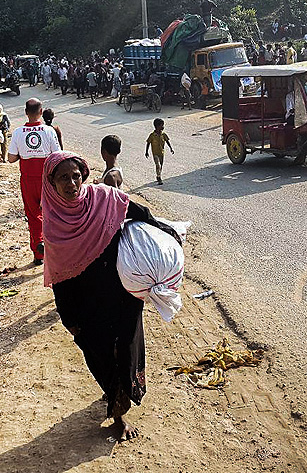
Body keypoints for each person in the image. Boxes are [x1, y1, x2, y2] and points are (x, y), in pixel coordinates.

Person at [40, 152, 180, 442]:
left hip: (122, 291)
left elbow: (136, 210)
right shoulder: (54, 223)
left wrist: (165, 230)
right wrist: (69, 317)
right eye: (63, 178)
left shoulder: (102, 197)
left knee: (127, 346)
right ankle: (115, 394)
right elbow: (59, 276)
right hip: (86, 300)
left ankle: (120, 409)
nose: (71, 183)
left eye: (76, 176)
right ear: (50, 181)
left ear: (84, 176)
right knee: (100, 352)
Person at [7, 99, 61, 265]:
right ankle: (54, 251)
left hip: (28, 180)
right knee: (51, 215)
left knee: (33, 216)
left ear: (25, 112)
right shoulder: (48, 131)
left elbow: (10, 159)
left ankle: (38, 253)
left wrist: (24, 153)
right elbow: (57, 156)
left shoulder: (17, 132)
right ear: (41, 112)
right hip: (47, 179)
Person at [145, 118, 174, 185]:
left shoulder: (163, 134)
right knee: (157, 165)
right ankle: (159, 177)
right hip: (155, 153)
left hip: (162, 152)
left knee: (161, 165)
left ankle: (158, 174)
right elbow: (148, 143)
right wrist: (146, 152)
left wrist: (171, 148)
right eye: (162, 125)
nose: (163, 127)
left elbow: (167, 141)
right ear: (157, 126)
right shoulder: (152, 135)